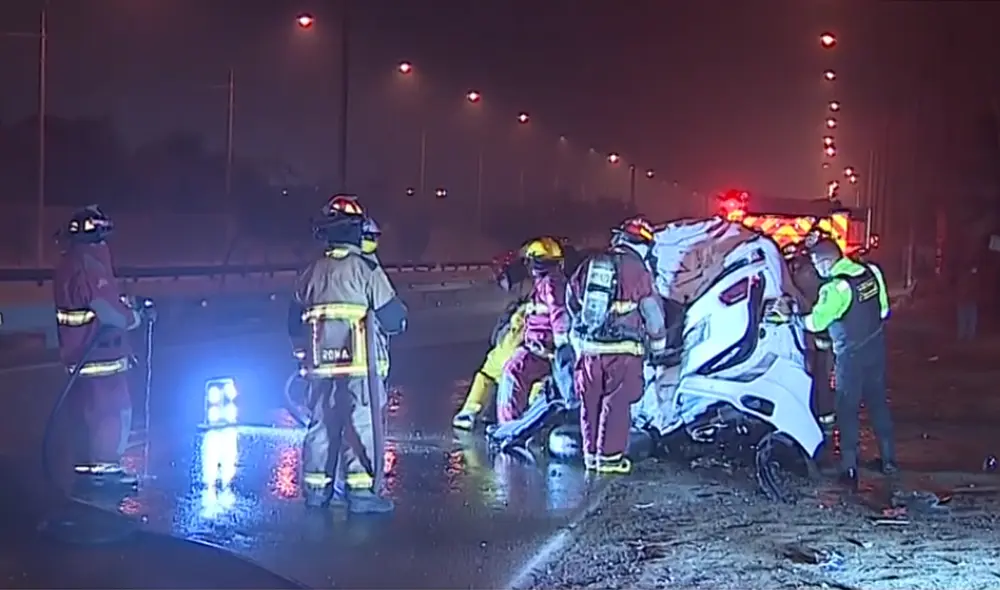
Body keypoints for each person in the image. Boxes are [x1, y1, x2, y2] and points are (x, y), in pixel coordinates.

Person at [292, 195, 408, 513]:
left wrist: (303, 356)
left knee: (321, 426)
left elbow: (292, 322)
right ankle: (361, 493)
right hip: (360, 370)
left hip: (320, 370)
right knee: (362, 425)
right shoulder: (366, 269)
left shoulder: (310, 273)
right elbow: (393, 319)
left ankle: (317, 491)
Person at [53, 205, 148, 491]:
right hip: (99, 357)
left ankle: (87, 468)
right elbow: (107, 310)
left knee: (86, 414)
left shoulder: (68, 262)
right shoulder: (90, 263)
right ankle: (106, 471)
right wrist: (134, 317)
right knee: (112, 413)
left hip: (79, 355)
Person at [792, 238, 896, 490]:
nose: (815, 268)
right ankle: (889, 461)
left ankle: (848, 468)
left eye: (816, 262)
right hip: (876, 349)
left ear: (826, 262)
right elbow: (883, 310)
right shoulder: (872, 272)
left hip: (850, 357)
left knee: (847, 408)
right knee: (878, 403)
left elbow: (816, 323)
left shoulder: (835, 288)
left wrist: (792, 317)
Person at [566, 217, 668, 474]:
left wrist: (582, 331)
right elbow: (652, 312)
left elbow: (572, 299)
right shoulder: (639, 270)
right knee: (616, 404)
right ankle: (610, 460)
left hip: (589, 351)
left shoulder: (592, 263)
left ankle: (591, 456)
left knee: (590, 403)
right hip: (623, 353)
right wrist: (658, 347)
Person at [494, 237, 571, 427]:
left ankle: (509, 426)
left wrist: (562, 347)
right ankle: (521, 424)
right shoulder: (548, 283)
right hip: (541, 349)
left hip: (541, 351)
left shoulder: (551, 284)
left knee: (512, 373)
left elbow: (559, 313)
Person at [956, 261, 980, 341]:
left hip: (967, 299)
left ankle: (965, 335)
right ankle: (967, 335)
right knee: (968, 317)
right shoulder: (970, 277)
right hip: (967, 299)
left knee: (966, 317)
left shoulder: (967, 277)